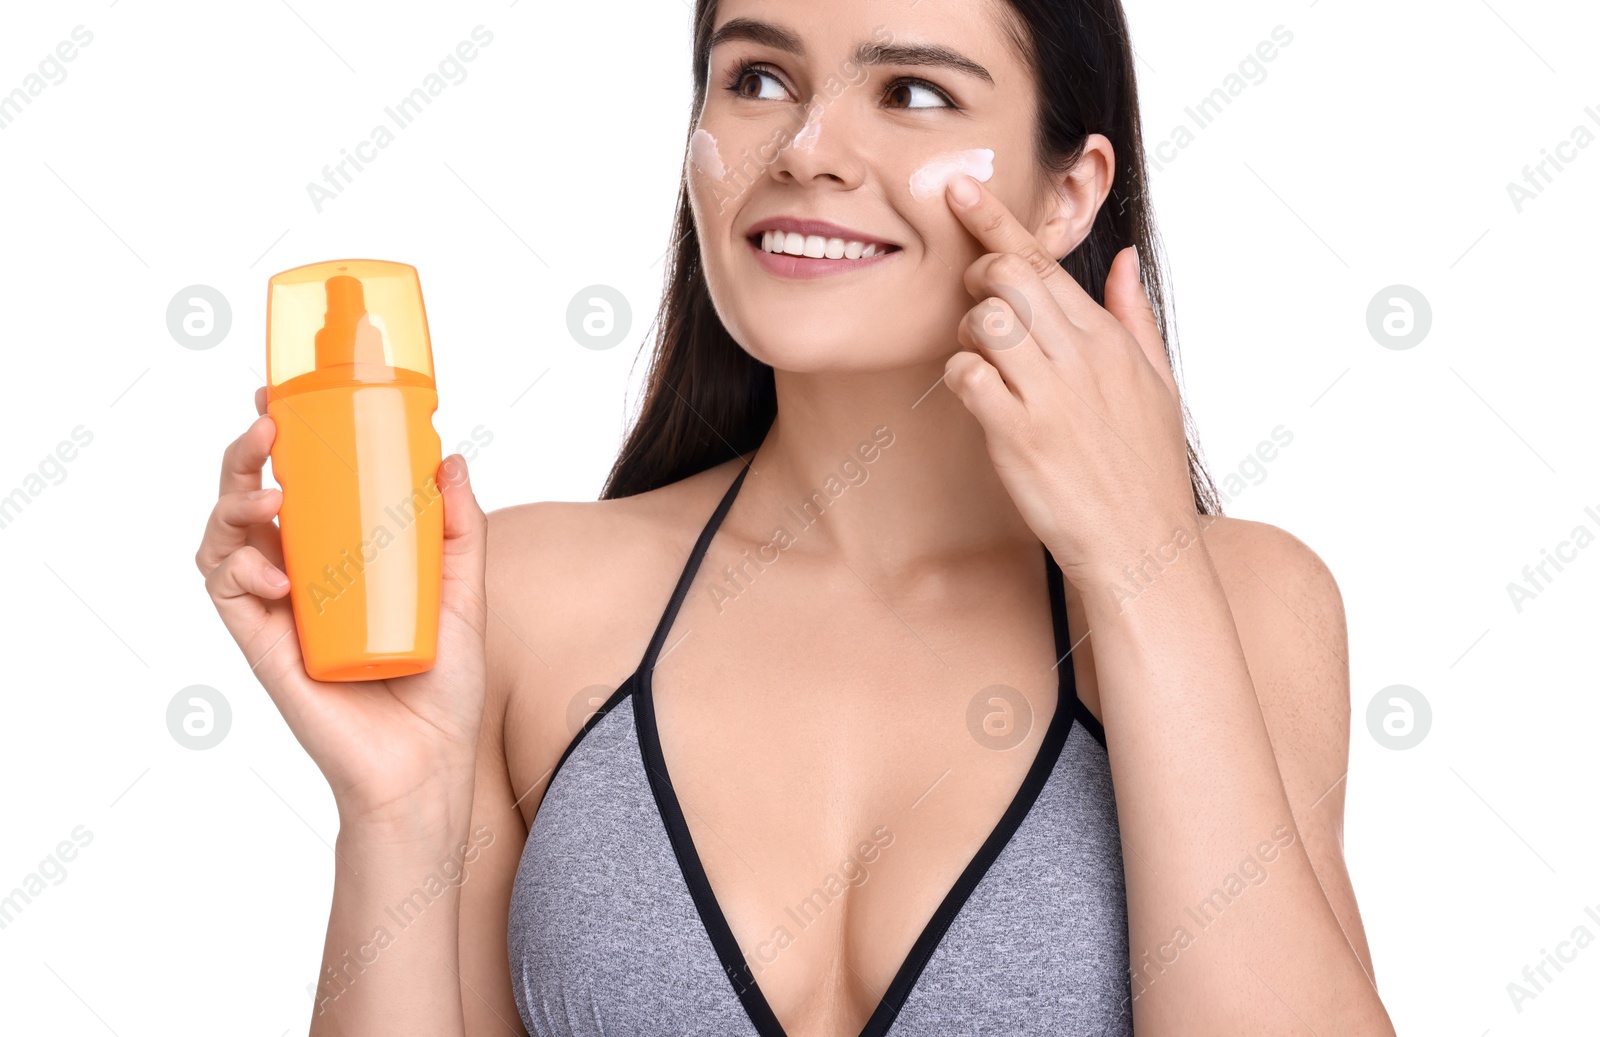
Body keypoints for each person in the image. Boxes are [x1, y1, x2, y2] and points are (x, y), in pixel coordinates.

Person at [197, 0, 1397, 1033]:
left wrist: (1141, 565)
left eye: (914, 90)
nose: (808, 149)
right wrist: (394, 810)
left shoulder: (1240, 600)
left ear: (1071, 189)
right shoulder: (527, 596)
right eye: (759, 78)